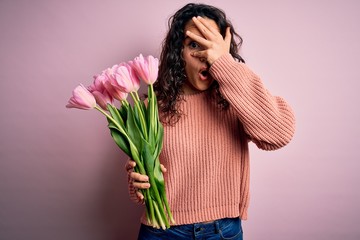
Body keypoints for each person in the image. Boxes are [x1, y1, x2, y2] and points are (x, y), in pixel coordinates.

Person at [125, 3, 296, 240]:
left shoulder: (236, 97)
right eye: (194, 44)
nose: (205, 54)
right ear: (178, 52)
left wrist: (224, 64)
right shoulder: (152, 106)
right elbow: (140, 190)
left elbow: (280, 134)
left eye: (211, 43)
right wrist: (138, 184)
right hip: (162, 232)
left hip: (222, 232)